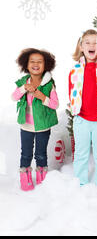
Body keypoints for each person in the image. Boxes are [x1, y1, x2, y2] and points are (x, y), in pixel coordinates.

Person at [68, 29, 97, 193]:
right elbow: (72, 91)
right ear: (81, 46)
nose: (91, 45)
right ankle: (80, 183)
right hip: (81, 119)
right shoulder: (75, 70)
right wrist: (74, 109)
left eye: (96, 42)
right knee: (81, 154)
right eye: (87, 42)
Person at [12, 48, 59, 191]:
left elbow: (55, 104)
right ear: (26, 65)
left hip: (43, 126)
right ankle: (25, 179)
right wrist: (23, 89)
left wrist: (41, 96)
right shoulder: (23, 82)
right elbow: (13, 97)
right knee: (26, 153)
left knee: (40, 153)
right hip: (26, 126)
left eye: (40, 61)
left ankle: (42, 180)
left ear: (46, 65)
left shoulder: (49, 84)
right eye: (32, 61)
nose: (36, 64)